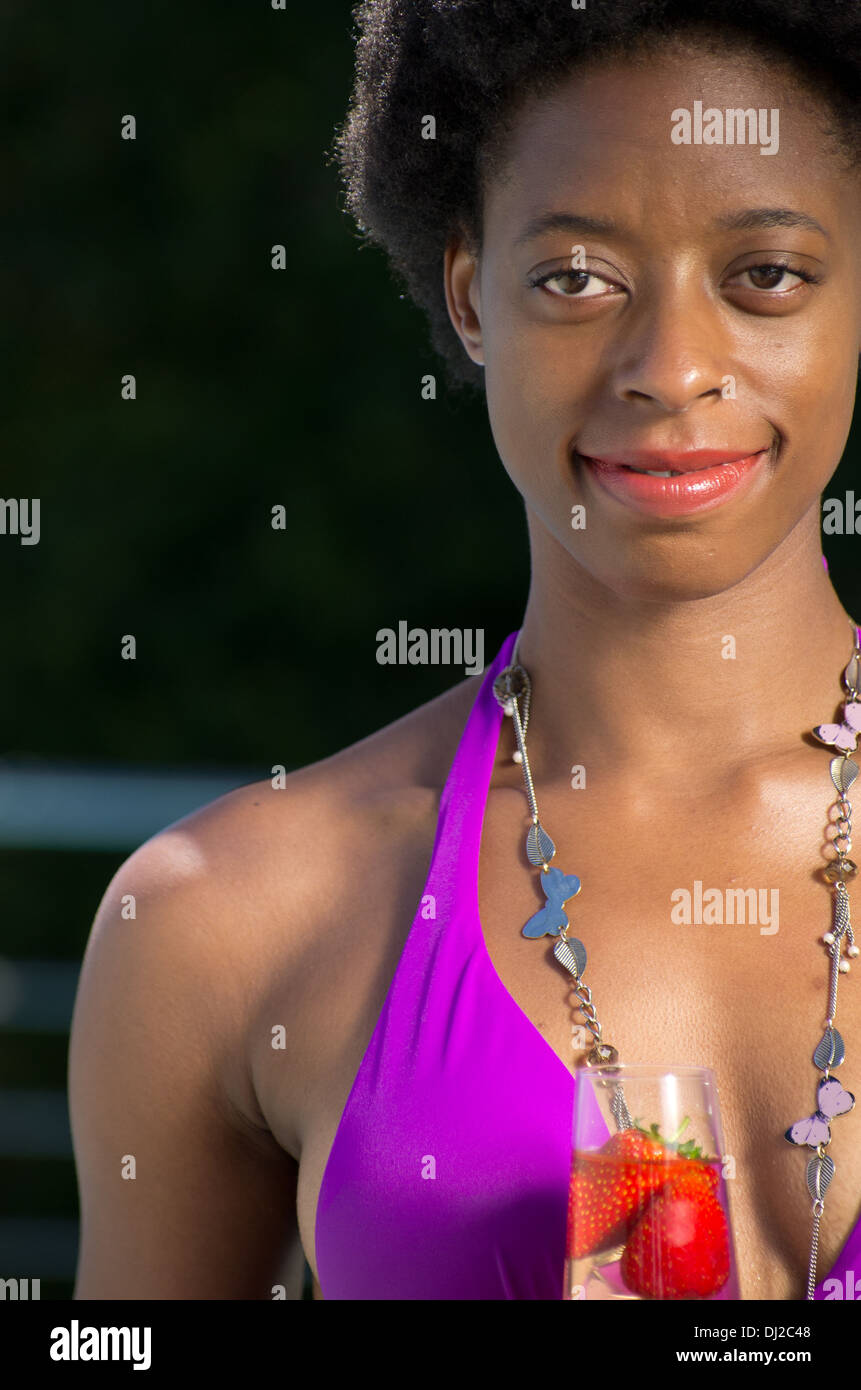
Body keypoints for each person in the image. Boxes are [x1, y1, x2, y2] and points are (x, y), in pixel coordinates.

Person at [69, 0, 861, 1300]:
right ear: (468, 295)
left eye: (763, 273)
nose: (671, 367)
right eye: (574, 277)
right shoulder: (228, 924)